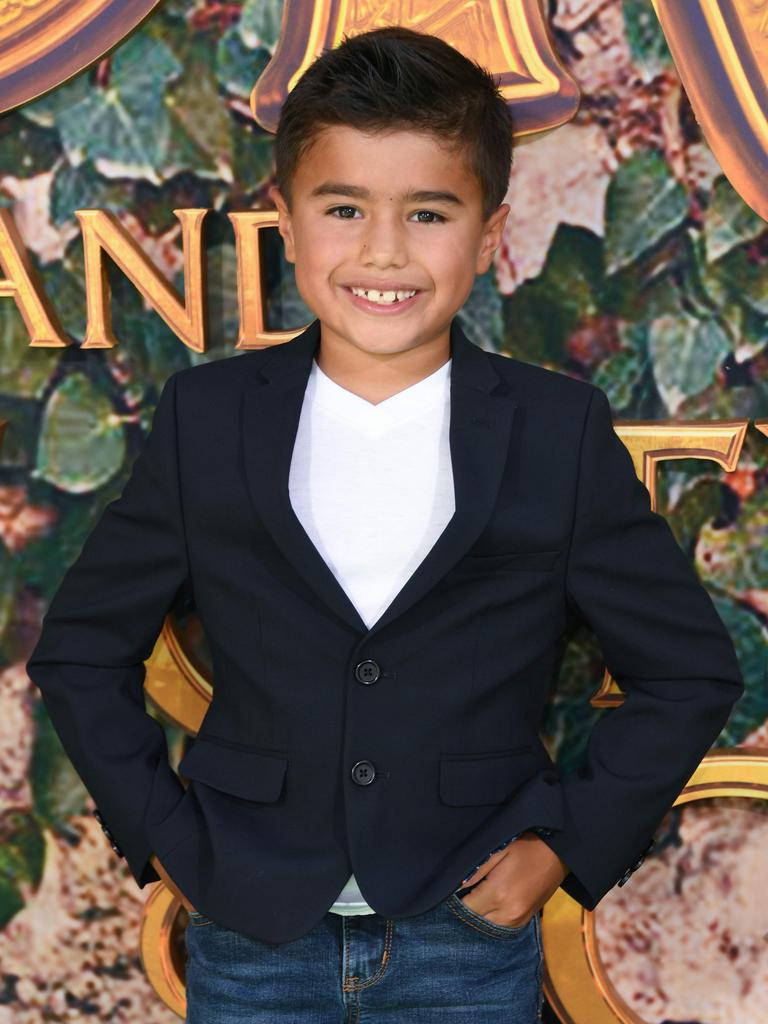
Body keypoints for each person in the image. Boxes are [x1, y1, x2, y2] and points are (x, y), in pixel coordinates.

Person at [26, 25, 745, 1024]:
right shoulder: (209, 419)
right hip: (252, 930)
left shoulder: (554, 432)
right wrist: (166, 844)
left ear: (490, 233)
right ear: (284, 215)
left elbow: (690, 668)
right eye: (344, 207)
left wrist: (562, 851)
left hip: (464, 939)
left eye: (429, 213)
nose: (383, 251)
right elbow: (80, 653)